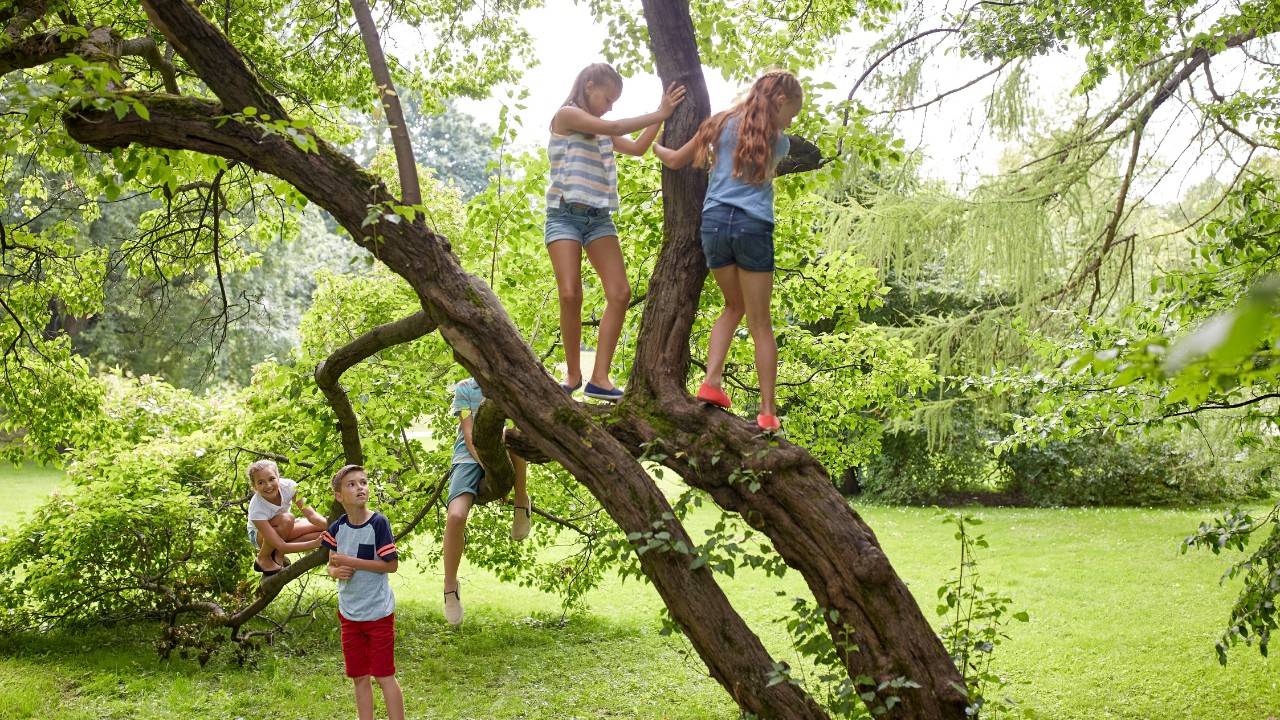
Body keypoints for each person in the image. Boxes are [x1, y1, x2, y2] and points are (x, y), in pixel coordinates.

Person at [653, 70, 804, 431]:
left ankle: (712, 383)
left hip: (715, 224)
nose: (791, 121)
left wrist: (655, 145)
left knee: (732, 306)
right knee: (760, 323)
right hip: (753, 227)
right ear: (781, 101)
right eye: (792, 114)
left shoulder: (719, 122)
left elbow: (673, 159)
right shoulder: (779, 143)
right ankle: (767, 411)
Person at [546, 62, 686, 401]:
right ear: (589, 85)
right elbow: (616, 125)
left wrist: (665, 117)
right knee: (569, 294)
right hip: (564, 214)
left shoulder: (603, 133)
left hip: (599, 219)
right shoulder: (567, 115)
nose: (610, 106)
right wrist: (659, 111)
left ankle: (600, 379)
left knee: (620, 293)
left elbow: (637, 148)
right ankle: (573, 374)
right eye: (608, 98)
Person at [442, 377, 530, 626]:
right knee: (456, 516)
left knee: (515, 436)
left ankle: (521, 502)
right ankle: (450, 587)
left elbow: (519, 424)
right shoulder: (465, 388)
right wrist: (490, 467)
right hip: (468, 456)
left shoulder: (508, 381)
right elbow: (470, 436)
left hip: (503, 447)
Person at [323, 464, 405, 720]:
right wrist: (335, 571)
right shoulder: (337, 528)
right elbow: (331, 562)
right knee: (359, 677)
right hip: (349, 615)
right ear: (339, 496)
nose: (360, 487)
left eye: (363, 482)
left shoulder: (378, 523)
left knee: (383, 676)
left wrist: (352, 562)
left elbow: (391, 565)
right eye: (351, 484)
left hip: (378, 613)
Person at [245, 459, 325, 575]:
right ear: (254, 487)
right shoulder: (256, 507)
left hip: (285, 528)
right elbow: (281, 545)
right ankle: (264, 557)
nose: (268, 485)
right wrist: (313, 544)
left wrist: (335, 526)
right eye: (261, 482)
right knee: (287, 518)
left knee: (323, 532)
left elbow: (312, 516)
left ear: (278, 477)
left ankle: (277, 553)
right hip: (259, 536)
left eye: (272, 479)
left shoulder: (289, 486)